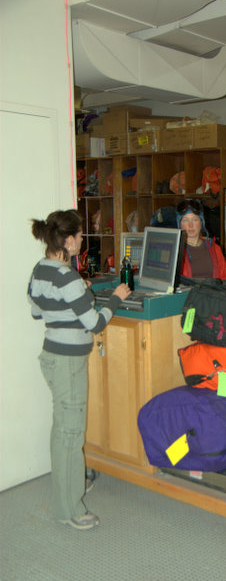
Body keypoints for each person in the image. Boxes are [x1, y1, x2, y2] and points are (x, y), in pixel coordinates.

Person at [28, 210, 131, 530]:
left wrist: (78, 291)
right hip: (68, 362)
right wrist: (115, 297)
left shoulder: (43, 269)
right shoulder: (67, 276)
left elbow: (36, 310)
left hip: (51, 357)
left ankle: (67, 487)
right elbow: (95, 322)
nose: (83, 240)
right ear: (68, 240)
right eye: (80, 236)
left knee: (63, 432)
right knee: (70, 435)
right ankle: (68, 508)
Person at [176, 198, 226, 279]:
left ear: (201, 222)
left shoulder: (215, 249)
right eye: (185, 220)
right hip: (187, 291)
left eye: (195, 220)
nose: (190, 225)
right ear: (179, 224)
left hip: (212, 290)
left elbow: (225, 278)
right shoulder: (175, 251)